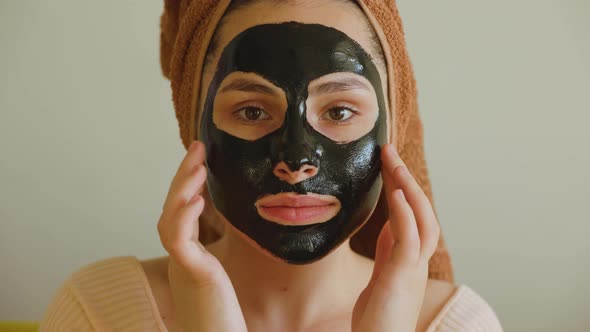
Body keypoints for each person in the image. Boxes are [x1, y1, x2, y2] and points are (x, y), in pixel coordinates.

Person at [39, 0, 503, 331]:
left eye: (340, 111)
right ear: (193, 124)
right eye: (252, 111)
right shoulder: (96, 313)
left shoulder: (455, 324)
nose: (296, 163)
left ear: (392, 127)